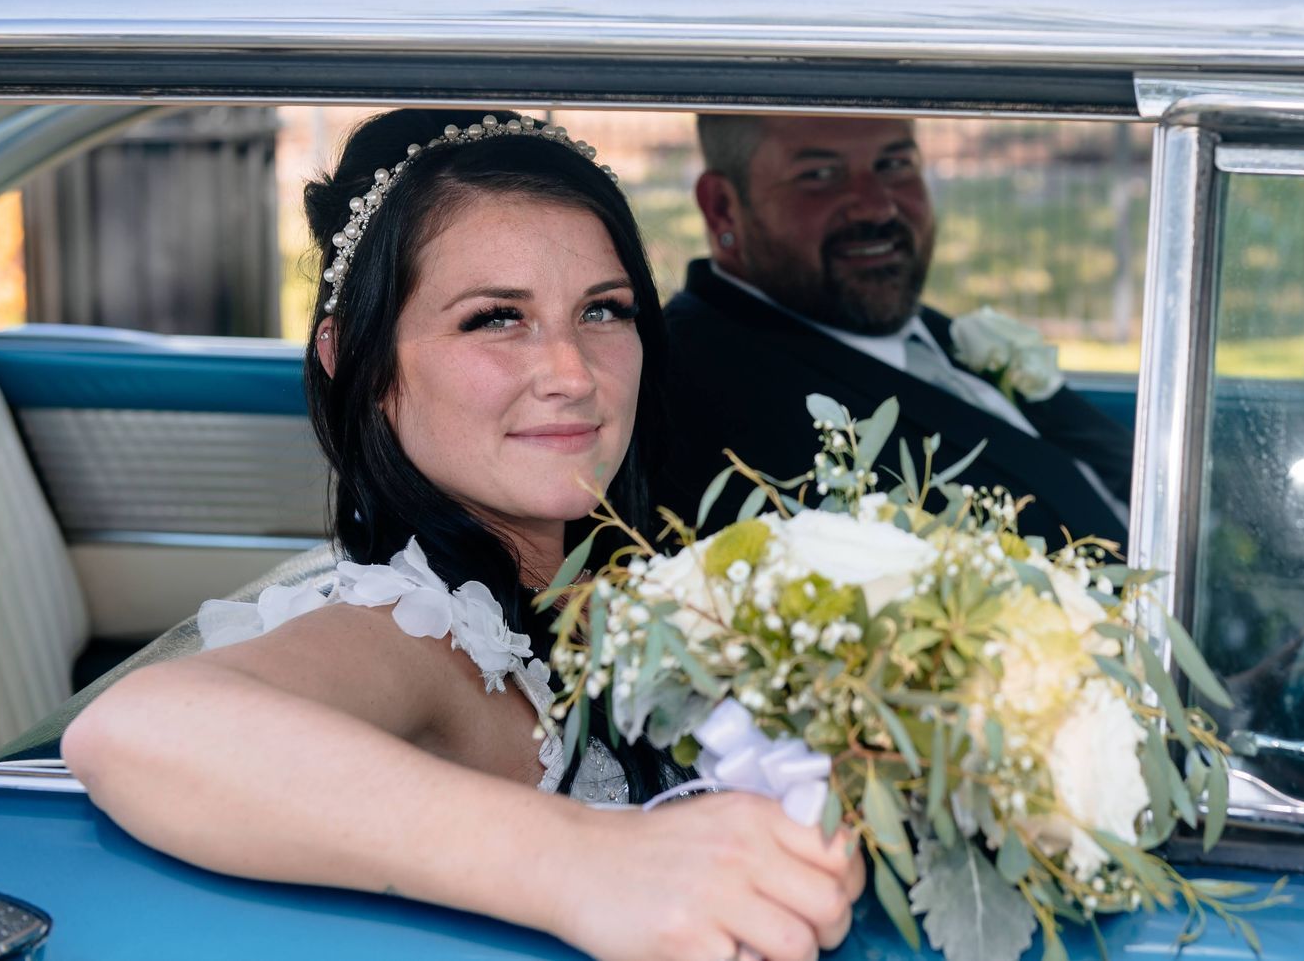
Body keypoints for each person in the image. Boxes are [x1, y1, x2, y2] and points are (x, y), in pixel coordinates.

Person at [63, 109, 863, 961]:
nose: (571, 373)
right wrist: (586, 863)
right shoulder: (420, 635)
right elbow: (144, 728)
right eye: (494, 319)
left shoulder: (627, 590)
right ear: (358, 362)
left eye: (603, 310)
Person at [661, 114, 1134, 544]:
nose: (876, 207)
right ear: (722, 207)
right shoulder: (698, 398)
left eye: (893, 163)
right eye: (820, 175)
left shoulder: (909, 328)